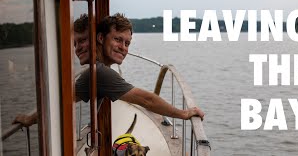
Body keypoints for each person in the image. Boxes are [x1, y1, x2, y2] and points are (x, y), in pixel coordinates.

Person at [13, 13, 204, 127]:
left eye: (127, 43)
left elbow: (60, 100)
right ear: (101, 39)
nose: (123, 47)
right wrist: (184, 114)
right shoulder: (99, 73)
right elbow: (147, 99)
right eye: (118, 40)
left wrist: (31, 118)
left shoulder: (97, 71)